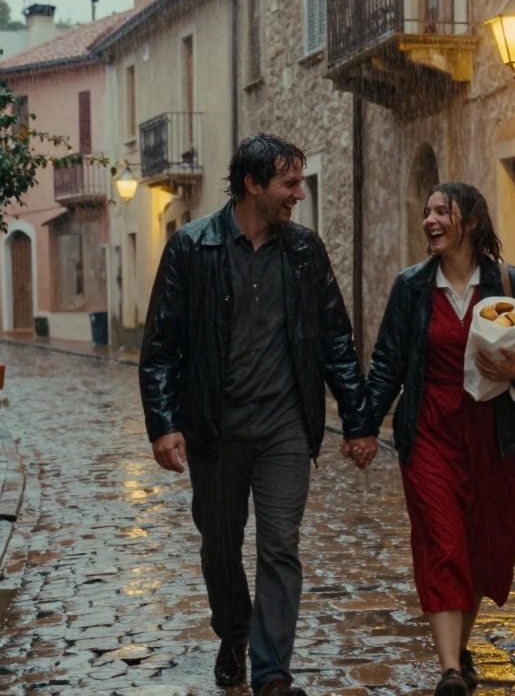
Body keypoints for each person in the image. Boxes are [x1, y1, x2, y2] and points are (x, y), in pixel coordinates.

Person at [138, 134, 378, 696]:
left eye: (299, 182)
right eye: (288, 183)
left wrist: (359, 418)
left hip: (284, 428)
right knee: (220, 544)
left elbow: (337, 342)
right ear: (252, 185)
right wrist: (164, 422)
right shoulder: (192, 248)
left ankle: (272, 673)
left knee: (279, 545)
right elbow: (160, 346)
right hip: (214, 430)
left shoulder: (305, 251)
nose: (298, 193)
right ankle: (234, 632)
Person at [358, 182, 515, 695]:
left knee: (478, 543)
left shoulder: (508, 282)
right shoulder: (411, 287)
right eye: (425, 211)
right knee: (442, 541)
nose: (429, 220)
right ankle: (450, 670)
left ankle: (460, 650)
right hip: (429, 430)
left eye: (441, 211)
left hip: (493, 437)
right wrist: (363, 424)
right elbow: (386, 364)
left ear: (468, 221)